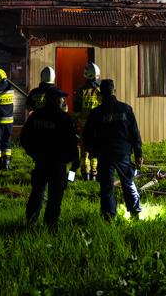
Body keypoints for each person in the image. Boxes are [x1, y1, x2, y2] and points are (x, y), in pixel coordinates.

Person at [83, 79, 144, 220]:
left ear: (101, 93)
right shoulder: (126, 109)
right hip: (123, 153)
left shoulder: (96, 113)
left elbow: (87, 135)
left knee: (106, 188)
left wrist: (93, 152)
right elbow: (135, 133)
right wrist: (138, 155)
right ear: (114, 91)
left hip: (104, 155)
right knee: (128, 183)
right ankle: (135, 214)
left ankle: (108, 217)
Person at [20, 85, 80, 227]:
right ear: (56, 101)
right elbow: (71, 142)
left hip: (41, 162)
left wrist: (34, 154)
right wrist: (75, 161)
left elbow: (25, 138)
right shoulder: (64, 118)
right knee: (55, 197)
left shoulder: (36, 116)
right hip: (58, 164)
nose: (63, 101)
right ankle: (50, 225)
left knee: (37, 193)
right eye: (61, 98)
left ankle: (31, 222)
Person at [74, 62, 103, 181]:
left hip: (85, 126)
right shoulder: (101, 90)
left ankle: (86, 174)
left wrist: (74, 124)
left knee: (85, 150)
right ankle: (94, 174)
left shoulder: (81, 90)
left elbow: (76, 110)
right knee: (96, 149)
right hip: (99, 126)